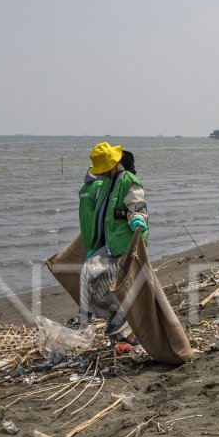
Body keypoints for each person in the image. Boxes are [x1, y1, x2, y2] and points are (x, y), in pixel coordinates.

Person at [78, 142, 148, 343]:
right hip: (108, 244)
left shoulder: (129, 181)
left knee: (108, 284)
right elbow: (101, 215)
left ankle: (122, 317)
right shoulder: (108, 182)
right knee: (90, 283)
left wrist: (137, 218)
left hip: (124, 244)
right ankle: (117, 317)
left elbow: (137, 205)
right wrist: (95, 245)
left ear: (113, 164)